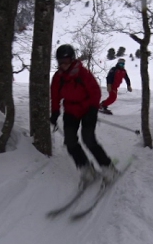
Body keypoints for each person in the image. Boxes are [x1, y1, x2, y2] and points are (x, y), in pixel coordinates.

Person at [49, 44, 118, 189]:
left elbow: (95, 92)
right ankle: (87, 169)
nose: (63, 65)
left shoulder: (83, 73)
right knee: (70, 142)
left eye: (66, 61)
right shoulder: (58, 77)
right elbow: (55, 97)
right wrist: (55, 113)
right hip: (71, 111)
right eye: (60, 62)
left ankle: (108, 168)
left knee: (88, 138)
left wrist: (93, 109)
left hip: (87, 109)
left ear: (72, 60)